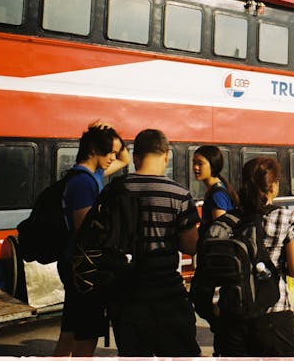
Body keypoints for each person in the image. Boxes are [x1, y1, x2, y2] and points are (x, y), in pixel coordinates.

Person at [108, 129, 202, 357]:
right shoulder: (179, 194)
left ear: (136, 155)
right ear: (166, 155)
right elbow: (191, 245)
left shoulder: (114, 190)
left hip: (126, 294)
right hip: (167, 294)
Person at [211, 156, 294, 356]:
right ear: (273, 185)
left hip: (233, 316)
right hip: (274, 314)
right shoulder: (284, 217)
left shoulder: (228, 220)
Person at [54, 122, 129, 357]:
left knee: (70, 331)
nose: (113, 157)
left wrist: (111, 132)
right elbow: (84, 228)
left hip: (76, 263)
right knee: (86, 334)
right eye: (109, 152)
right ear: (94, 150)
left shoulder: (92, 175)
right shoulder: (83, 182)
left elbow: (125, 159)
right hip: (84, 268)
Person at [193, 145, 240, 238]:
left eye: (200, 164)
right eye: (194, 162)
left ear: (213, 166)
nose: (195, 167)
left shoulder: (217, 195)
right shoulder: (216, 189)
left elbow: (219, 232)